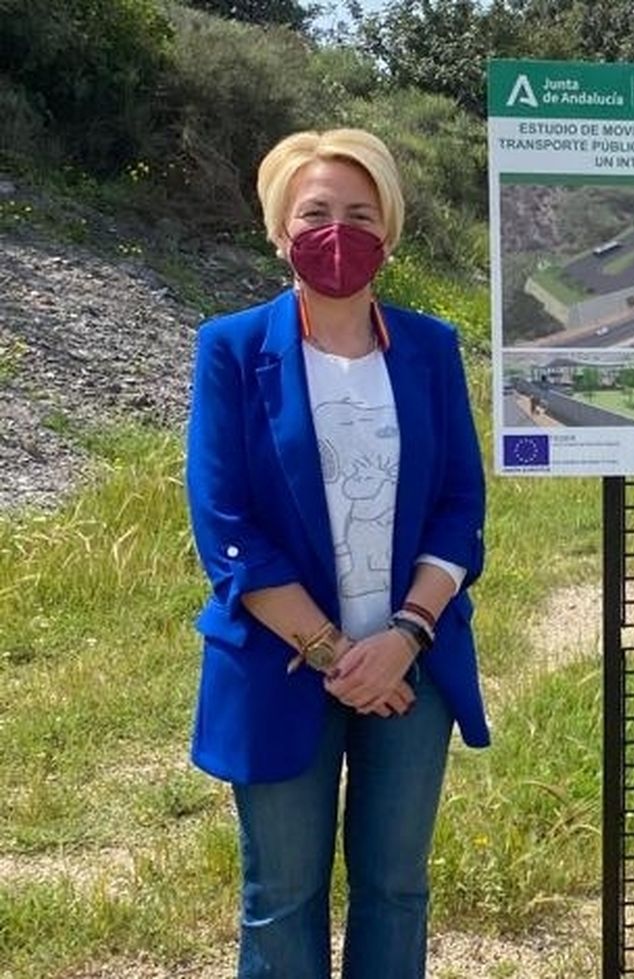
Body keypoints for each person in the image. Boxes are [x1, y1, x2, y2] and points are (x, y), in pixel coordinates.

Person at [184, 128, 489, 979]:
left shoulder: (430, 347)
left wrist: (403, 637)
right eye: (315, 212)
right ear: (279, 229)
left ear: (388, 232)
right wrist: (336, 651)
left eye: (359, 213)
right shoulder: (233, 348)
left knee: (395, 888)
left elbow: (461, 508)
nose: (337, 231)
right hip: (284, 663)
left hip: (411, 669)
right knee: (282, 892)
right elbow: (226, 522)